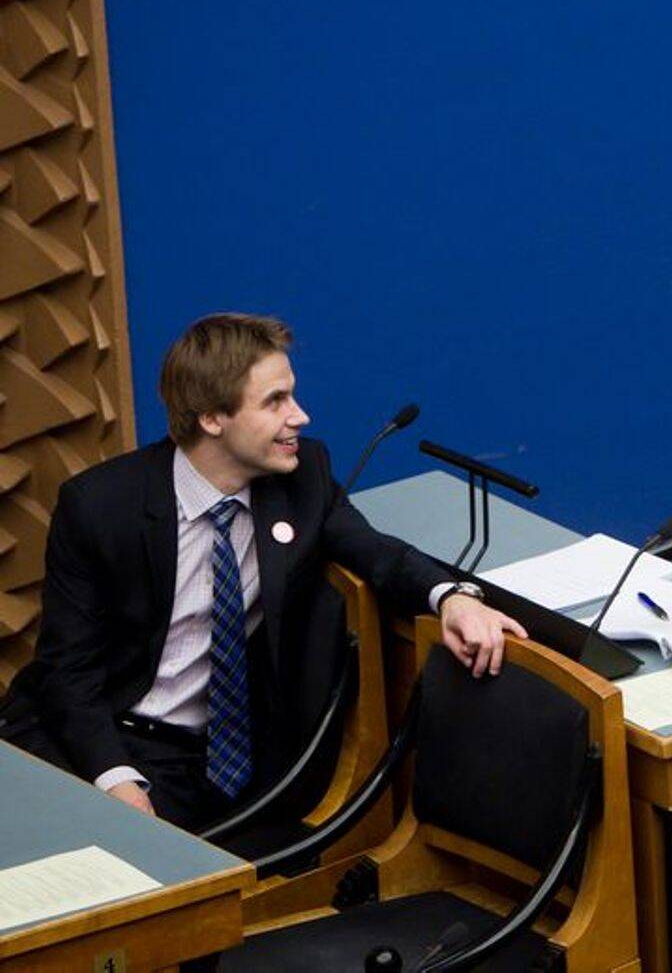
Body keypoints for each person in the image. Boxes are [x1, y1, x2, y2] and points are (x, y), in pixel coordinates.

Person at [0, 313, 524, 828]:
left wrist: (452, 597)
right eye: (275, 402)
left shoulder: (303, 477)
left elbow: (373, 549)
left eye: (292, 395)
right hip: (95, 735)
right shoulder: (99, 507)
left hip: (211, 758)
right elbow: (67, 673)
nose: (301, 417)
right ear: (211, 417)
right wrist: (116, 780)